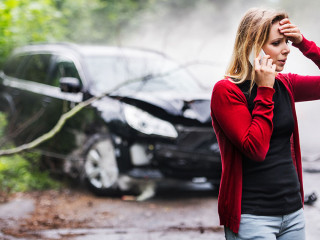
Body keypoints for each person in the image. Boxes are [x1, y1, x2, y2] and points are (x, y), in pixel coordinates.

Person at [210, 7, 320, 240]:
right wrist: (265, 90)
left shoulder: (285, 84)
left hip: (293, 214)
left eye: (287, 42)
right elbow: (256, 149)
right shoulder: (227, 92)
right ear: (252, 47)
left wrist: (304, 44)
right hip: (252, 218)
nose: (286, 50)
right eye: (277, 43)